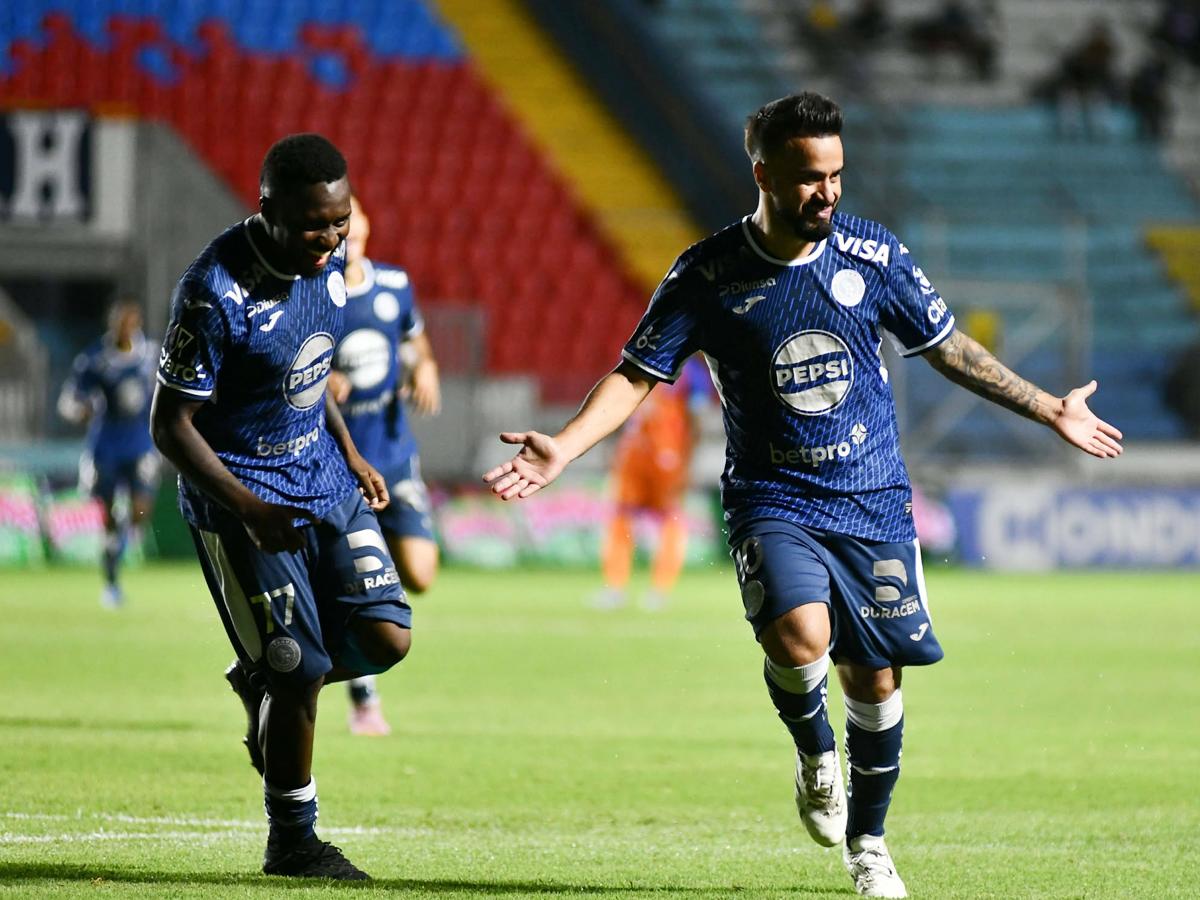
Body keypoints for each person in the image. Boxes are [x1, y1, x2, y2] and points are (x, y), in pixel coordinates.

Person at [483, 93, 1123, 899]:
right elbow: (638, 373)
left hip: (873, 498)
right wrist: (566, 446)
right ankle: (816, 754)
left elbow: (949, 348)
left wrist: (1048, 407)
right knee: (797, 636)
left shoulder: (873, 255)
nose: (827, 192)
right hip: (772, 494)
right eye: (809, 178)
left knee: (877, 682)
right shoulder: (708, 273)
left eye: (837, 176)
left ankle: (870, 842)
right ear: (764, 174)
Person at [150, 133, 413, 881]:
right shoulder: (214, 292)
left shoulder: (329, 274)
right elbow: (169, 426)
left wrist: (354, 452)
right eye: (311, 225)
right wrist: (245, 506)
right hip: (240, 502)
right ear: (266, 209)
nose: (328, 241)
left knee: (388, 639)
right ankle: (293, 840)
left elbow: (310, 377)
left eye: (339, 223)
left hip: (325, 480)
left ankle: (264, 678)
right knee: (298, 666)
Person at [328, 193, 442, 736]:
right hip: (341, 467)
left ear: (368, 229)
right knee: (362, 579)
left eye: (356, 224)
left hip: (395, 459)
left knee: (420, 574)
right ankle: (363, 695)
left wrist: (426, 370)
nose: (349, 234)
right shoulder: (313, 297)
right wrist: (318, 379)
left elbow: (416, 343)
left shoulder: (394, 285)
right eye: (339, 226)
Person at [57, 298, 160, 608]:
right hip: (106, 445)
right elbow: (69, 400)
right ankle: (112, 579)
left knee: (141, 508)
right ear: (112, 324)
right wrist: (79, 411)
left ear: (137, 323)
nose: (125, 327)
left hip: (141, 442)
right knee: (110, 515)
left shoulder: (152, 355)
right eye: (120, 321)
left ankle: (125, 539)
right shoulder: (95, 359)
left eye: (130, 320)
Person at [592, 353, 710, 611]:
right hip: (634, 454)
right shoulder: (642, 356)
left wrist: (688, 463)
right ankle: (615, 587)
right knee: (621, 518)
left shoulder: (695, 374)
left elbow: (697, 419)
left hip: (668, 457)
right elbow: (619, 404)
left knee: (669, 521)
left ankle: (659, 589)